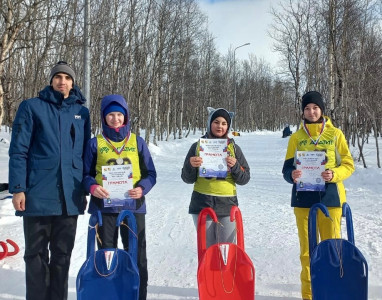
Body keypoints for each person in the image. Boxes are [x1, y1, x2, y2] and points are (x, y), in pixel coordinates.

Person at [8, 61, 91, 300]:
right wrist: (18, 189)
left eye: (67, 77)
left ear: (73, 82)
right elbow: (19, 150)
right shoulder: (31, 107)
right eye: (58, 76)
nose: (62, 81)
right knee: (35, 254)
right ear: (51, 80)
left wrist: (87, 188)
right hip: (37, 194)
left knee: (63, 254)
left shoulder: (81, 112)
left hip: (70, 195)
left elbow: (85, 153)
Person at [83, 94, 156, 300]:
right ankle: (110, 294)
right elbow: (84, 175)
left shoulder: (137, 142)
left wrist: (142, 188)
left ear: (126, 117)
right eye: (110, 115)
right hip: (104, 208)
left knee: (137, 256)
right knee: (107, 256)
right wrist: (93, 187)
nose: (115, 119)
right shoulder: (95, 143)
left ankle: (138, 295)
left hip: (133, 208)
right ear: (103, 117)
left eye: (119, 115)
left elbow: (151, 174)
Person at [282, 91, 354, 300]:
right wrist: (292, 175)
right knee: (307, 253)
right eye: (307, 108)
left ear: (322, 109)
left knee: (333, 250)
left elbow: (349, 164)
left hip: (331, 199)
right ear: (302, 111)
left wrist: (334, 174)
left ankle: (333, 292)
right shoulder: (296, 137)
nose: (311, 112)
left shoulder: (335, 134)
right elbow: (286, 169)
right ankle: (309, 294)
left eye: (315, 107)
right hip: (303, 201)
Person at [181, 107, 250, 247]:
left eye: (224, 123)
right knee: (207, 251)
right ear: (209, 124)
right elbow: (186, 178)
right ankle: (207, 270)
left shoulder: (234, 148)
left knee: (226, 252)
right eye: (216, 122)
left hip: (227, 205)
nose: (220, 126)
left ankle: (226, 271)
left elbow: (245, 178)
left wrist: (235, 166)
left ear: (228, 127)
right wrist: (191, 165)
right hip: (202, 204)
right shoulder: (197, 146)